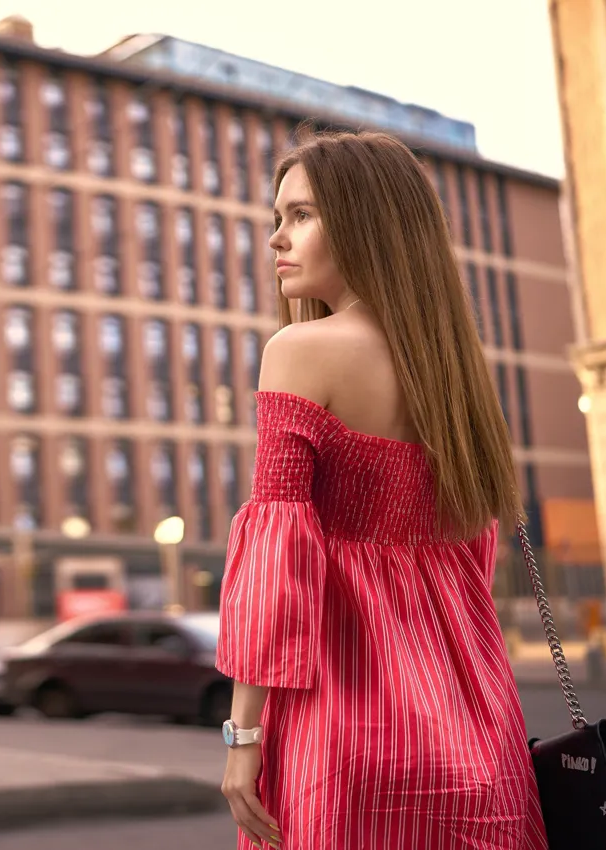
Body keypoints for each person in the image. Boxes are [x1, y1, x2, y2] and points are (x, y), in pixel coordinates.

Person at [214, 130, 547, 850]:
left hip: (341, 734)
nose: (277, 238)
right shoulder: (454, 374)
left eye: (301, 215)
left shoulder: (300, 351)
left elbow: (278, 561)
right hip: (477, 728)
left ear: (367, 220)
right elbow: (471, 564)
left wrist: (242, 736)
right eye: (279, 218)